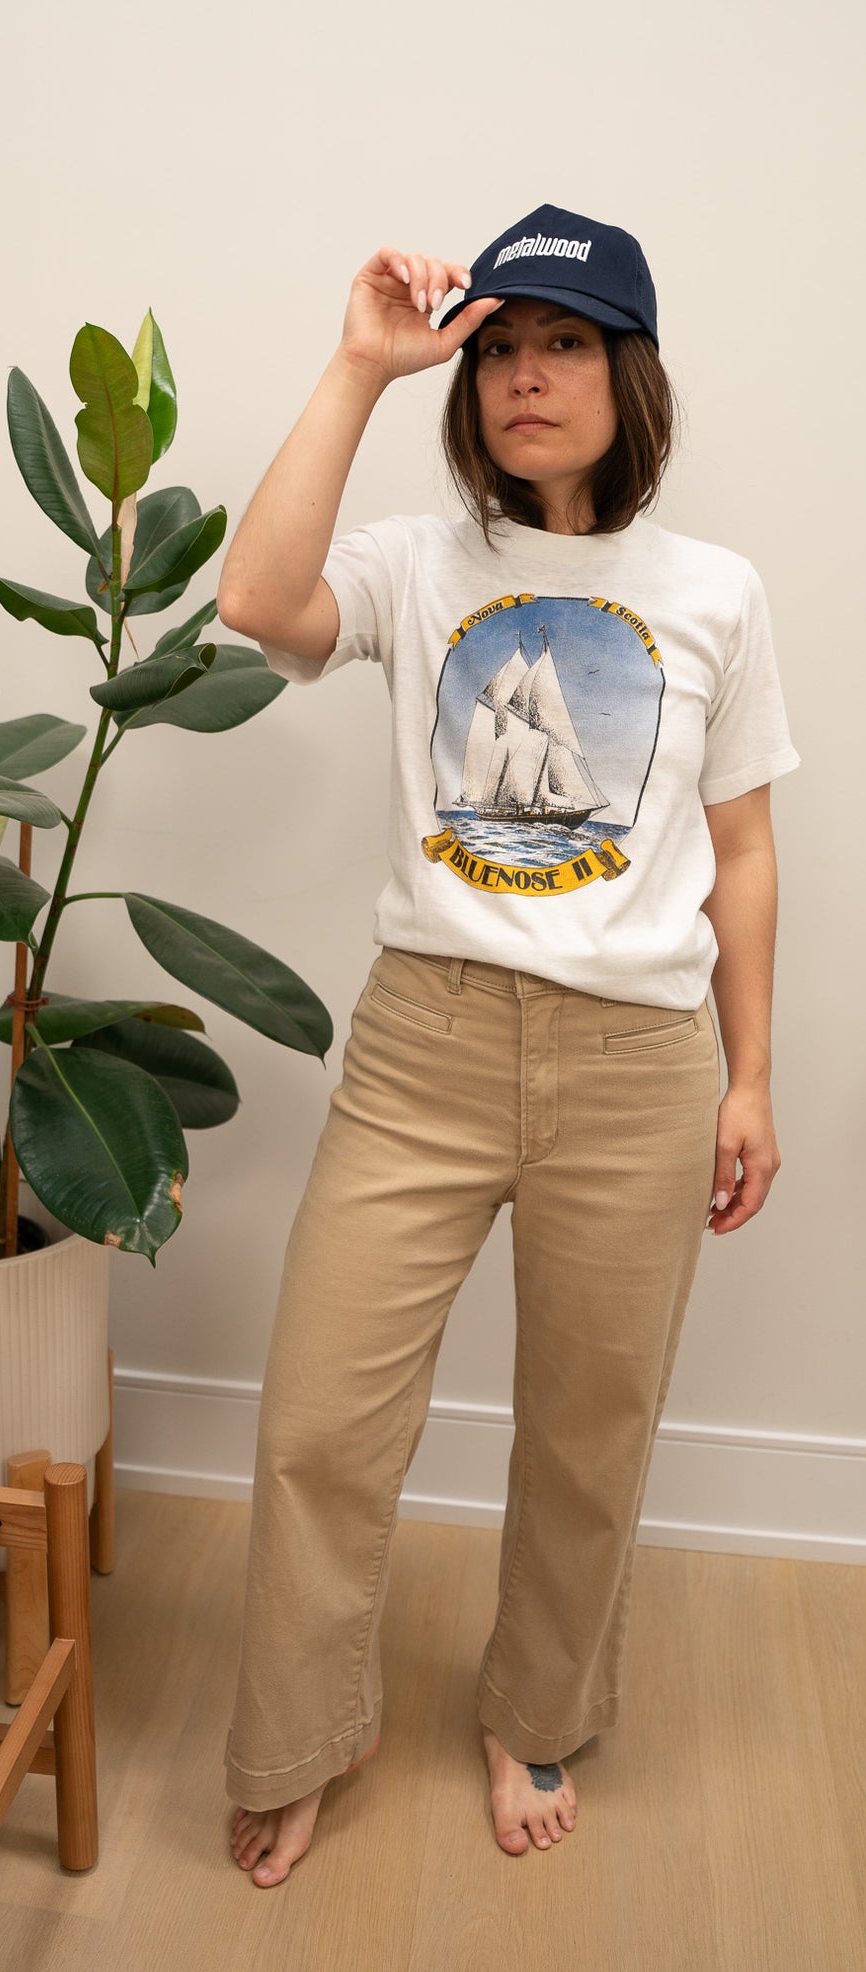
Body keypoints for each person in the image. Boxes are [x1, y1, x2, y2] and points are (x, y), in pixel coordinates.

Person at [214, 202, 801, 1879]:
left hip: (636, 1062)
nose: (524, 379)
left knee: (584, 1427)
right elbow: (260, 598)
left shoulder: (710, 593)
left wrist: (749, 1075)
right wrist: (361, 362)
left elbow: (743, 853)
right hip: (427, 1045)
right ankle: (298, 1730)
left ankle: (529, 1711)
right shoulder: (417, 561)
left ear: (628, 373)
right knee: (321, 1420)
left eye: (562, 346)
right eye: (497, 352)